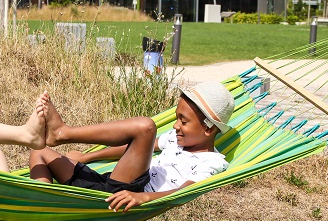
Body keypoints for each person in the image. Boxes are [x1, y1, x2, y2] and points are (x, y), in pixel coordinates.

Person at [29, 81, 234, 212]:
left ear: (208, 129)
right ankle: (43, 205)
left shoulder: (212, 162)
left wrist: (144, 197)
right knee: (39, 151)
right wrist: (86, 157)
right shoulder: (175, 138)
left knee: (146, 127)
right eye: (176, 119)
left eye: (184, 121)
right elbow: (136, 150)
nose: (175, 126)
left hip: (135, 191)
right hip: (111, 186)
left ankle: (63, 132)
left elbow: (185, 192)